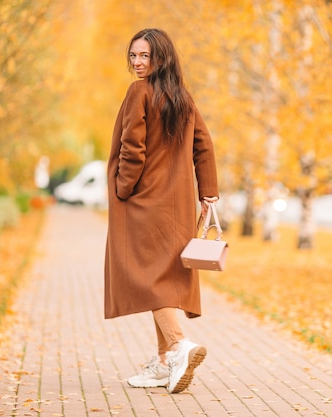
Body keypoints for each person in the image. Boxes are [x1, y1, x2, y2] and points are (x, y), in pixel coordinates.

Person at [104, 28, 219, 394]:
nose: (138, 63)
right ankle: (165, 363)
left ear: (161, 58)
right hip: (179, 205)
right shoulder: (181, 96)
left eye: (145, 56)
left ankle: (179, 344)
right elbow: (204, 144)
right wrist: (209, 194)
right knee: (165, 278)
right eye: (134, 56)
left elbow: (132, 147)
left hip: (144, 203)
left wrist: (123, 188)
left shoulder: (139, 91)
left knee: (146, 278)